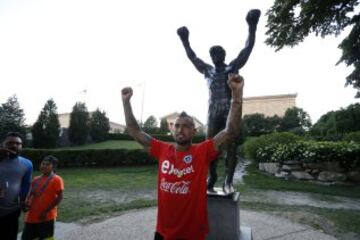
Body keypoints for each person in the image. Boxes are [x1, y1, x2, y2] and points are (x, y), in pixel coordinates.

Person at [122, 73, 244, 240]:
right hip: (163, 233)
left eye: (186, 126)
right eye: (177, 126)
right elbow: (135, 131)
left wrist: (236, 95)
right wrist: (126, 102)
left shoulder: (202, 151)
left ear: (194, 131)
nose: (180, 129)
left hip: (192, 234)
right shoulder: (162, 150)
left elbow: (230, 131)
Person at [177, 9, 260, 193]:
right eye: (212, 54)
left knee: (231, 147)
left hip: (230, 111)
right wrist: (185, 41)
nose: (215, 56)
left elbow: (247, 49)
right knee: (210, 147)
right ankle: (212, 176)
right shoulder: (207, 70)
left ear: (223, 55)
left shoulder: (232, 67)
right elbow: (192, 57)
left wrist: (252, 27)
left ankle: (228, 181)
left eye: (218, 53)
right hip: (213, 111)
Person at [22, 155, 64, 240]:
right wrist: (26, 205)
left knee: (46, 238)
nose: (44, 166)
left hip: (47, 217)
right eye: (42, 164)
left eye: (47, 164)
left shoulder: (57, 179)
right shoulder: (36, 179)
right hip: (31, 217)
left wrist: (46, 212)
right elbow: (32, 195)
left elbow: (60, 197)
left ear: (53, 167)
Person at [0, 132, 33, 240]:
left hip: (12, 210)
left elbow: (25, 185)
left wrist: (24, 201)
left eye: (18, 143)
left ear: (21, 146)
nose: (14, 145)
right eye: (10, 143)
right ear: (3, 144)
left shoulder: (27, 164)